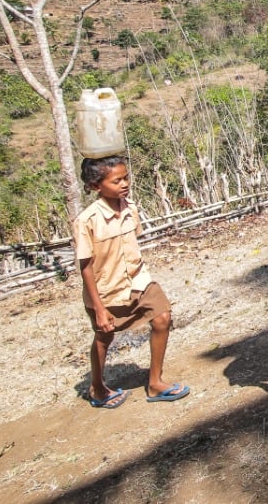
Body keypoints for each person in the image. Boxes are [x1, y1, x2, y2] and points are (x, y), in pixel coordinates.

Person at [73, 155, 190, 408]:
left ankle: (156, 383)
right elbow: (85, 267)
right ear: (96, 186)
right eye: (116, 181)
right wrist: (99, 308)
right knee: (104, 337)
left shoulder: (130, 208)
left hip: (138, 279)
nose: (124, 184)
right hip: (106, 290)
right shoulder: (87, 221)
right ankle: (98, 388)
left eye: (126, 178)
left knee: (162, 317)